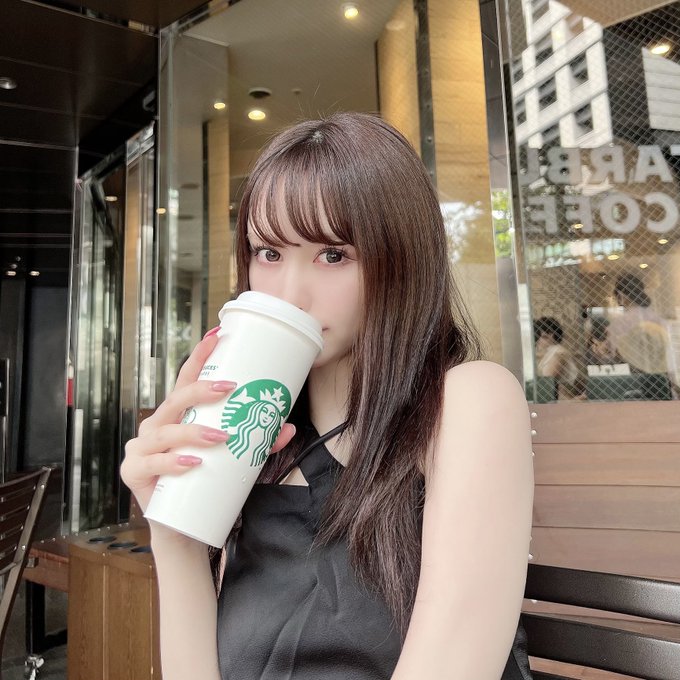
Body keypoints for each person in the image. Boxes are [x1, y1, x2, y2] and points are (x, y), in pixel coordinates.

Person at [121, 112, 534, 680]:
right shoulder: (257, 441)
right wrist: (174, 531)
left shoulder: (467, 402)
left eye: (333, 254)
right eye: (269, 253)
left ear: (401, 261)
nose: (290, 294)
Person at [608, 274, 670, 375]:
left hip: (631, 374)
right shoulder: (658, 319)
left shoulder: (620, 323)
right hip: (659, 374)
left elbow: (614, 352)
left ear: (621, 296)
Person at [533, 317, 582, 400]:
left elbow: (547, 379)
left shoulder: (558, 352)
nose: (542, 341)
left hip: (563, 399)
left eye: (545, 337)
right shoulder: (545, 353)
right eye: (542, 337)